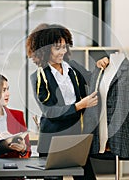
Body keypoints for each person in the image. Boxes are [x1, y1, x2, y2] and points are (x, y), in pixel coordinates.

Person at [26, 23, 109, 180]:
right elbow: (49, 111)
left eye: (65, 47)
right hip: (52, 139)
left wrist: (100, 64)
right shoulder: (37, 77)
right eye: (57, 48)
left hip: (76, 136)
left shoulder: (72, 67)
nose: (63, 52)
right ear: (45, 49)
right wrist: (79, 106)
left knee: (86, 177)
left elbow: (92, 79)